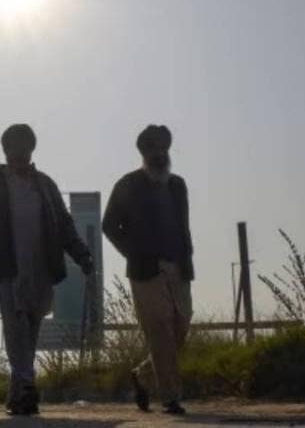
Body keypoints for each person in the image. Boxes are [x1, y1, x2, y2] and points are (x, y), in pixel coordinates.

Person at [0, 124, 94, 416]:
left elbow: (64, 224)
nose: (19, 154)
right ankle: (27, 387)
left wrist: (81, 254)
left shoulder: (45, 185)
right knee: (16, 328)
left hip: (40, 269)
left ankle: (17, 395)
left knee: (31, 329)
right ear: (5, 150)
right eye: (14, 148)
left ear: (31, 150)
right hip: (5, 269)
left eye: (24, 148)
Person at [102, 124, 194, 415]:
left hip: (178, 266)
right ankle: (170, 397)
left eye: (163, 148)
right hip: (146, 270)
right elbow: (109, 225)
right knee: (161, 330)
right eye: (153, 148)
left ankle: (142, 374)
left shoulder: (178, 185)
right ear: (143, 152)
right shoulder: (128, 185)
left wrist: (186, 258)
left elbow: (183, 226)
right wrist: (135, 252)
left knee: (181, 324)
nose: (159, 153)